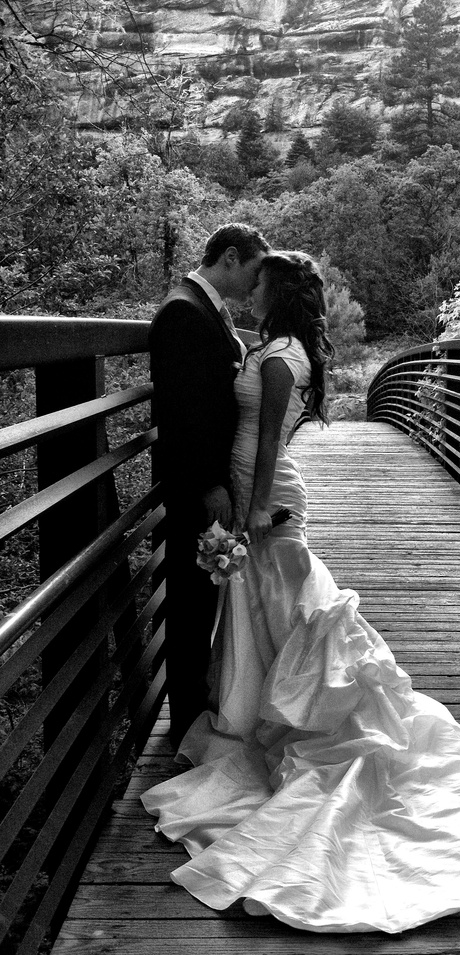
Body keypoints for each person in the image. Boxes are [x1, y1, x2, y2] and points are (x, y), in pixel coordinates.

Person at [142, 251, 460, 934]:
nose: (249, 290)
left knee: (290, 610)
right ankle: (272, 710)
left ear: (276, 290)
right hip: (251, 496)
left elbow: (266, 443)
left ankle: (306, 722)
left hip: (270, 500)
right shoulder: (275, 347)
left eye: (258, 282)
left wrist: (256, 509)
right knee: (275, 614)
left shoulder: (279, 357)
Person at [149, 223, 269, 745]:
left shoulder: (203, 307)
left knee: (201, 600)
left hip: (211, 480)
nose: (256, 283)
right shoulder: (183, 311)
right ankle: (186, 725)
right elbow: (181, 415)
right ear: (230, 256)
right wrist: (208, 486)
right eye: (254, 271)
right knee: (191, 605)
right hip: (198, 486)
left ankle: (197, 716)